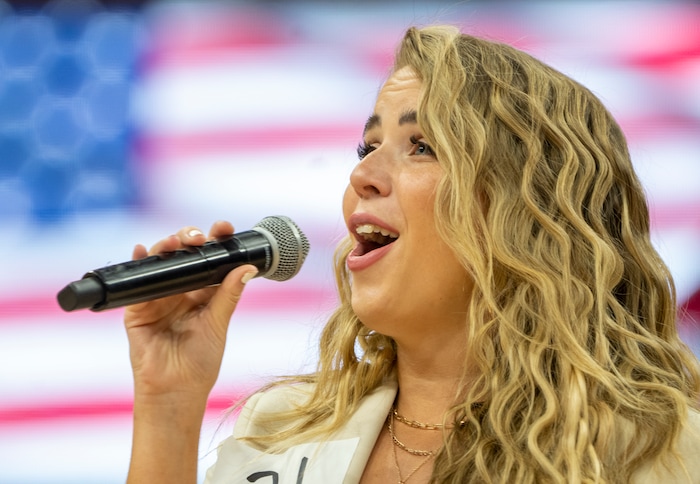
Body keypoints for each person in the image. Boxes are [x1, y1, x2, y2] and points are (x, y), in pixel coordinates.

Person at [124, 25, 700, 483]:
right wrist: (168, 403)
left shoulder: (662, 451)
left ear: (530, 211)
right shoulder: (276, 431)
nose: (362, 175)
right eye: (367, 145)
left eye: (420, 146)